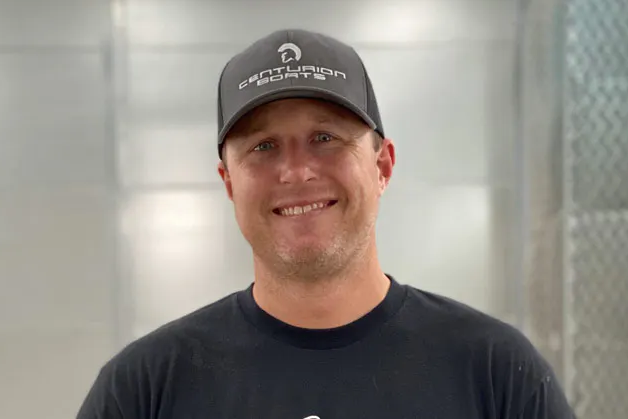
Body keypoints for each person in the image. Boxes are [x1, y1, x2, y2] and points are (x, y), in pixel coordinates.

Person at [77, 29, 575, 418]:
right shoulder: (145, 390)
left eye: (325, 137)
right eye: (263, 146)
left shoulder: (494, 373)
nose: (296, 170)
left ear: (382, 166)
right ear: (229, 182)